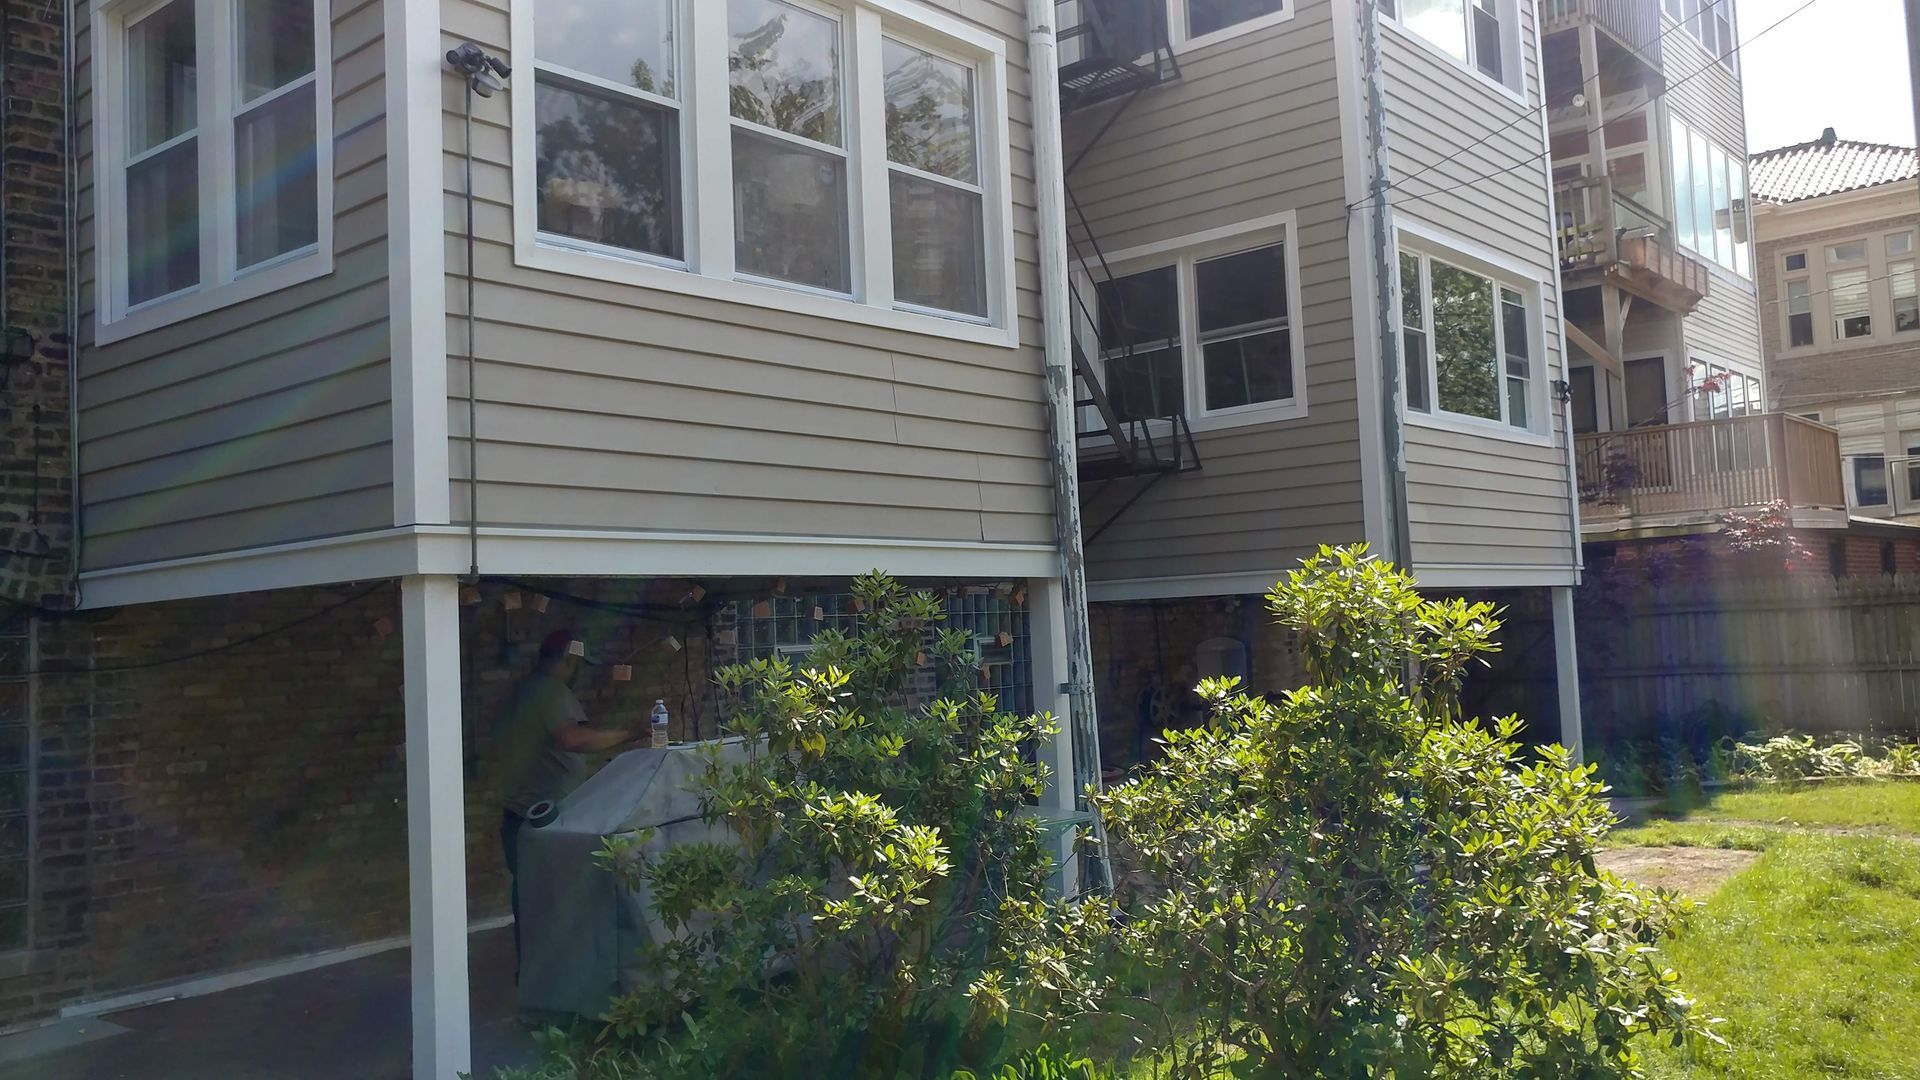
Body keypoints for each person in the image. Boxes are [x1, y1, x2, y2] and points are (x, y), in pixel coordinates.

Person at [495, 629, 639, 971]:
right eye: (577, 665)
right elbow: (571, 738)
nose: (578, 673)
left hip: (520, 815)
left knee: (531, 899)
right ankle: (555, 980)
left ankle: (534, 975)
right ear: (567, 662)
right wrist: (629, 733)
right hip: (544, 819)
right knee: (556, 900)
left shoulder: (525, 690)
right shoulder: (551, 691)